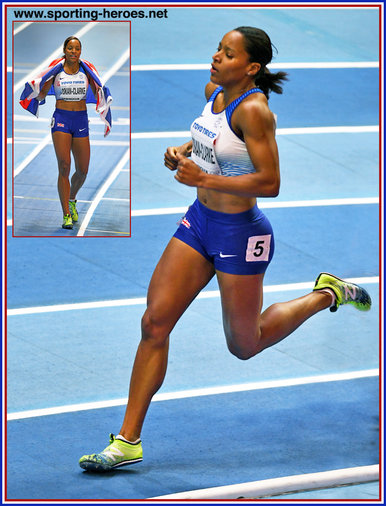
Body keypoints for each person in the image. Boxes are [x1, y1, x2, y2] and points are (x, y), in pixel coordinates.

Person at [79, 26, 371, 472]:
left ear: (251, 67)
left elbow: (270, 183)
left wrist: (204, 179)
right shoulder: (213, 91)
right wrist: (182, 151)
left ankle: (327, 294)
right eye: (218, 48)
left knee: (244, 343)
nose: (216, 56)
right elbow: (210, 138)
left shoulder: (254, 110)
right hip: (200, 224)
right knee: (154, 323)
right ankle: (128, 440)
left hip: (240, 233)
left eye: (228, 53)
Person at [19, 36, 113, 230]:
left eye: (76, 48)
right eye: (70, 48)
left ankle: (72, 199)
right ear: (64, 50)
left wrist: (105, 99)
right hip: (61, 120)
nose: (73, 51)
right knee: (64, 166)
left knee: (82, 170)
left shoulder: (87, 70)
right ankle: (66, 214)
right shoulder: (56, 70)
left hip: (80, 120)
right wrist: (37, 88)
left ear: (80, 52)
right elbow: (43, 93)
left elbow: (98, 93)